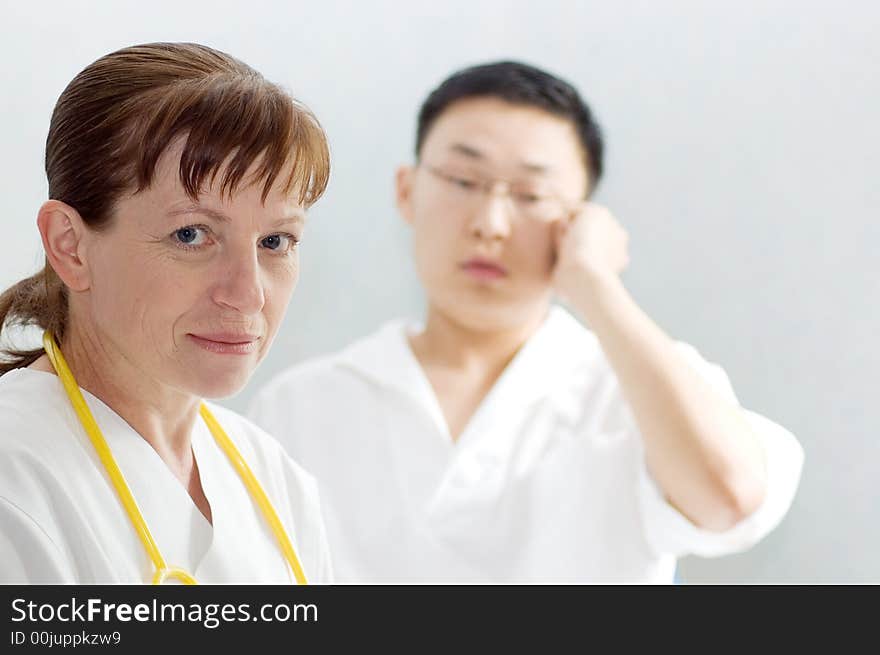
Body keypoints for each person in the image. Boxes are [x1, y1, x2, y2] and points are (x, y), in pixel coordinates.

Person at [249, 61, 804, 583]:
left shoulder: (636, 393)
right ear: (407, 191)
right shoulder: (301, 407)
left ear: (581, 220)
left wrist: (596, 286)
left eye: (532, 194)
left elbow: (728, 498)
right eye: (464, 181)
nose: (491, 224)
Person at [0, 42, 333, 584]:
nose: (248, 294)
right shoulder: (14, 481)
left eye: (275, 240)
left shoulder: (275, 480)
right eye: (192, 234)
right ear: (70, 246)